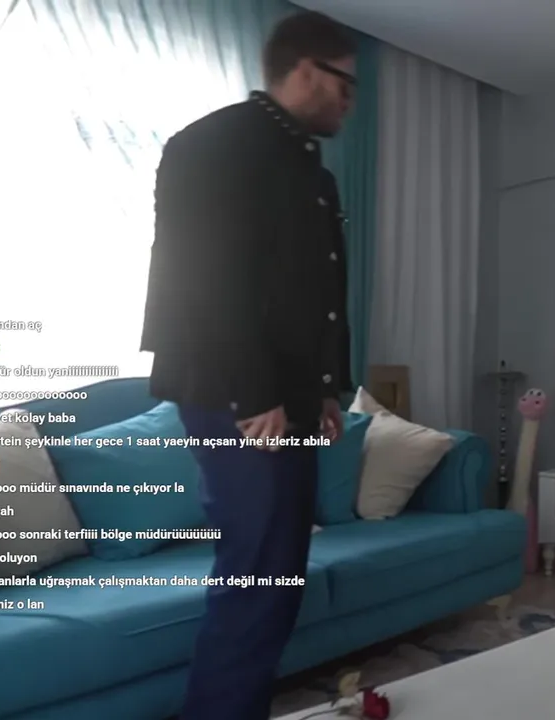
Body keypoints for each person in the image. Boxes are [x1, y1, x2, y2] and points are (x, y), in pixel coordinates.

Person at [138, 10, 357, 720]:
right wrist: (255, 393)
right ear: (306, 72)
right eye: (346, 85)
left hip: (285, 396)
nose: (350, 102)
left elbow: (318, 291)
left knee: (279, 571)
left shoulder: (308, 168)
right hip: (234, 391)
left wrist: (326, 390)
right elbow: (205, 279)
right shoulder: (214, 145)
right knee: (258, 569)